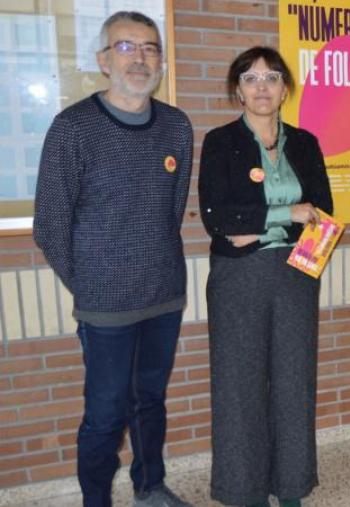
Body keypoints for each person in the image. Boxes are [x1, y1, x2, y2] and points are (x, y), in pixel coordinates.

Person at [32, 11, 193, 507]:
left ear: (161, 60)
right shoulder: (73, 128)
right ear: (104, 59)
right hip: (105, 309)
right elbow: (49, 225)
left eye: (149, 48)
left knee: (150, 403)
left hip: (163, 298)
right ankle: (95, 500)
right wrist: (92, 285)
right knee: (105, 413)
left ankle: (150, 487)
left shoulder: (176, 127)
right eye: (126, 47)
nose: (139, 58)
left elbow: (171, 213)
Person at [199, 46, 333, 507]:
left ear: (284, 90)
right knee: (240, 386)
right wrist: (286, 214)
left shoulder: (306, 143)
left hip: (298, 273)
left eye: (272, 78)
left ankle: (292, 486)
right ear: (237, 90)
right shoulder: (220, 142)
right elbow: (217, 217)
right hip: (239, 277)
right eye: (251, 78)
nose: (262, 87)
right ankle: (245, 490)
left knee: (294, 383)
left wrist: (254, 225)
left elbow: (322, 212)